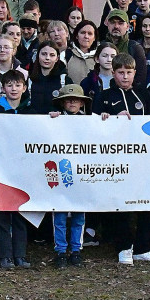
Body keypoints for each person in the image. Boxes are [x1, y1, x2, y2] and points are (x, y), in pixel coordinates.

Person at [92, 53, 150, 264]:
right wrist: (111, 120)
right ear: (113, 73)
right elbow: (93, 127)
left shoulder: (144, 94)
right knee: (121, 203)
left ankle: (144, 246)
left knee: (147, 200)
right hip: (116, 159)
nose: (125, 77)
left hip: (143, 158)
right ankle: (124, 246)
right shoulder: (104, 96)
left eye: (129, 72)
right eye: (120, 72)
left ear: (135, 73)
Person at [0, 68, 32, 268]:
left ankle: (20, 255)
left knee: (21, 212)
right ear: (2, 88)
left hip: (23, 169)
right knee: (2, 211)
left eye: (18, 85)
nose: (14, 89)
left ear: (24, 87)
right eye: (10, 85)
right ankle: (5, 255)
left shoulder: (30, 110)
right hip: (1, 169)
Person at [46, 84, 92, 268]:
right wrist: (51, 119)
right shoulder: (53, 119)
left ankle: (76, 250)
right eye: (68, 99)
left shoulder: (90, 121)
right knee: (59, 214)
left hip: (81, 173)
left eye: (76, 99)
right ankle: (60, 251)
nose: (72, 102)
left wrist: (105, 119)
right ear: (62, 102)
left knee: (79, 215)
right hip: (61, 169)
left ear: (82, 103)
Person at [103, 9, 148, 87]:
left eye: (120, 23)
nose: (116, 26)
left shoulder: (135, 48)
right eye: (113, 22)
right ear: (107, 24)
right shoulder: (101, 47)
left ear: (127, 27)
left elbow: (141, 78)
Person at [27, 42, 69, 114]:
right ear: (38, 56)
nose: (47, 58)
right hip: (34, 122)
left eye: (52, 55)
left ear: (57, 58)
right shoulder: (30, 80)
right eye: (44, 54)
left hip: (58, 122)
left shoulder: (64, 80)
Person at [66, 20, 99, 85]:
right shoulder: (66, 55)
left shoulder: (100, 56)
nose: (86, 36)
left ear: (94, 37)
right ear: (76, 36)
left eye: (90, 34)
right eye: (83, 32)